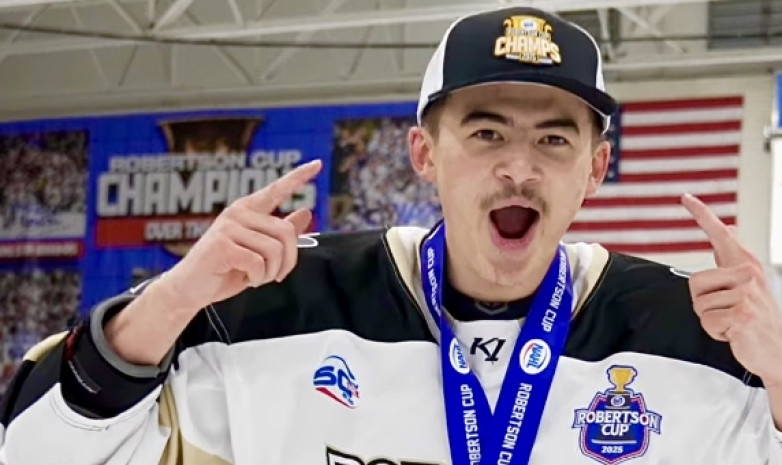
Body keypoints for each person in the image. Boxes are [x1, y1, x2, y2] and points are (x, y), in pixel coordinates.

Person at [1, 6, 781, 465]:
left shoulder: (690, 333)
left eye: (553, 140)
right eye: (485, 133)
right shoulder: (278, 306)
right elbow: (35, 449)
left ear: (596, 167)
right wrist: (173, 299)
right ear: (424, 154)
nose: (519, 168)